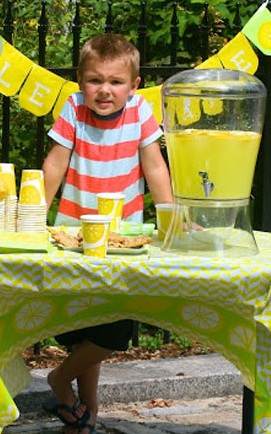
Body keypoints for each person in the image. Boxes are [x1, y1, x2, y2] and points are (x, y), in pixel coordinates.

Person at [41, 33, 173, 434]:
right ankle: (84, 413)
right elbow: (55, 166)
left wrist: (169, 216)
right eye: (95, 79)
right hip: (74, 237)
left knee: (115, 328)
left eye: (116, 82)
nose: (105, 90)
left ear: (134, 85)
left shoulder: (140, 113)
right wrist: (30, 218)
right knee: (84, 326)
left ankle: (59, 380)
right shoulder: (73, 109)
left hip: (122, 241)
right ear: (80, 80)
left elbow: (154, 167)